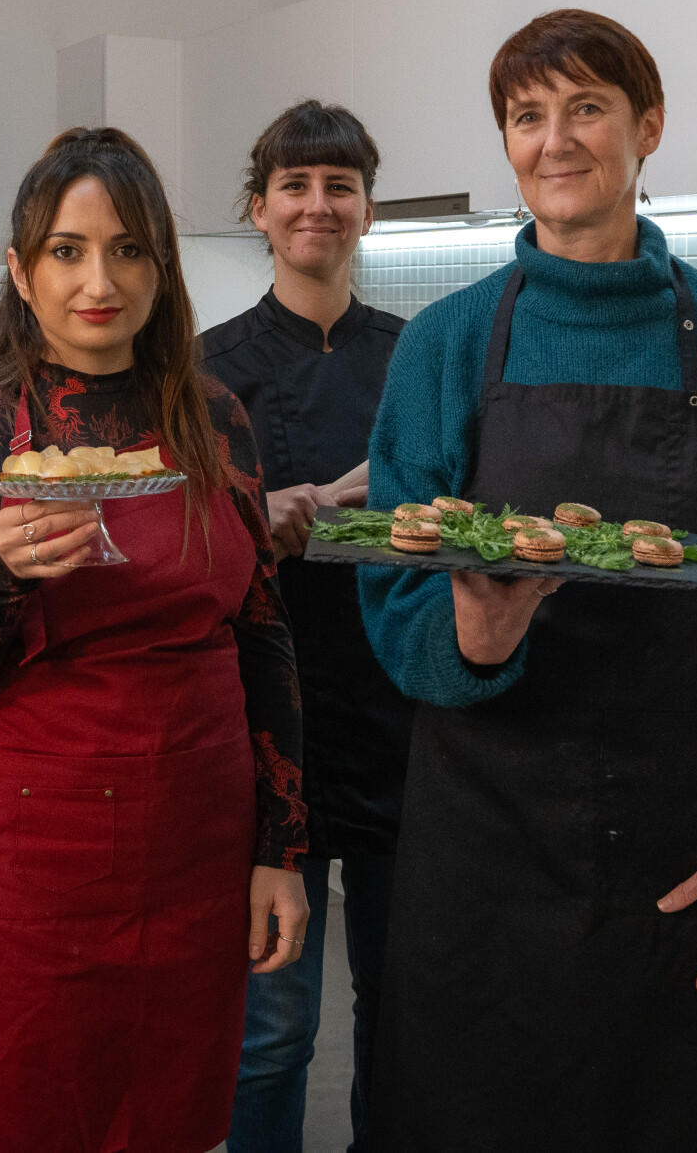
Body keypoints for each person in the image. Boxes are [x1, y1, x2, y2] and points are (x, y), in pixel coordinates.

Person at [358, 9, 697, 1148]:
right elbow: (392, 595)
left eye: (585, 107)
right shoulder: (444, 344)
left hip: (693, 843)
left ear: (649, 126)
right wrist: (474, 635)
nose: (554, 139)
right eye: (527, 115)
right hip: (487, 847)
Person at [0, 126, 310, 1153]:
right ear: (22, 272)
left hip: (191, 834)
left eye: (127, 249)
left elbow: (262, 635)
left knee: (157, 1103)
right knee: (4, 1094)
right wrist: (1, 570)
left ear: (160, 265)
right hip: (24, 847)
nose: (98, 280)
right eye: (67, 252)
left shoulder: (213, 416)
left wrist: (281, 849)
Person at [200, 101, 408, 1153]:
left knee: (402, 1015)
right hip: (260, 728)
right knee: (270, 1029)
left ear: (367, 207)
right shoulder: (204, 367)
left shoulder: (420, 360)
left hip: (399, 719)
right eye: (295, 185)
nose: (316, 205)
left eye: (338, 184)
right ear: (259, 207)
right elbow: (176, 549)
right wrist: (278, 509)